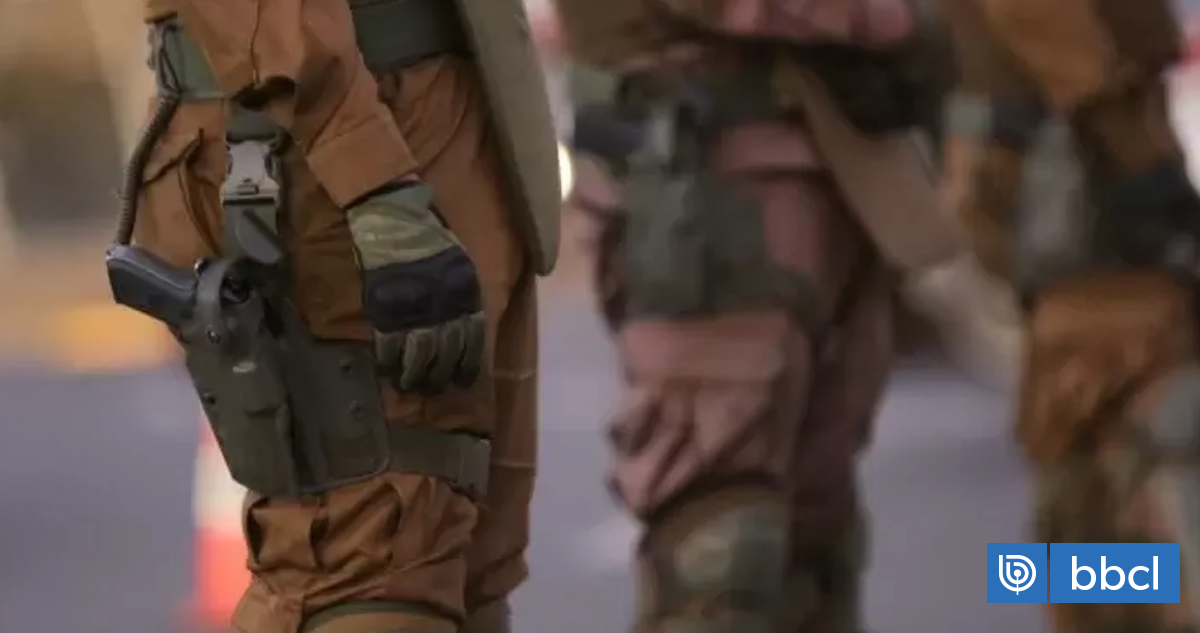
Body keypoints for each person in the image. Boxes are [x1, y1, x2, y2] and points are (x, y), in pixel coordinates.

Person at [120, 0, 561, 631]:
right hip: (318, 128)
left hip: (441, 119)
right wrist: (369, 177)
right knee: (373, 550)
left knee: (461, 571)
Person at [546, 0, 961, 630]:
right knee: (721, 535)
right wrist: (892, 23)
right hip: (710, 197)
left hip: (831, 174)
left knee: (813, 533)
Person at [930, 0, 1200, 628]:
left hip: (1075, 239)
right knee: (1127, 472)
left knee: (1087, 491)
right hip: (1088, 221)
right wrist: (1145, 171)